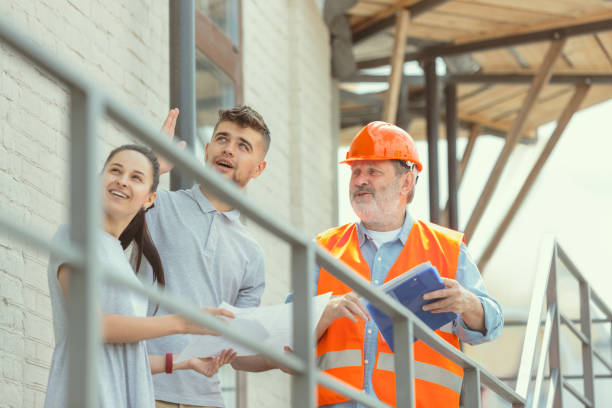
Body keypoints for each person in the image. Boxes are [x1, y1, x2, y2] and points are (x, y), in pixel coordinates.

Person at [313, 122, 504, 408]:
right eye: (355, 171)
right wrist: (325, 311)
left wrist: (467, 303)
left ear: (406, 182)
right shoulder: (324, 249)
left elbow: (492, 324)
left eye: (373, 171)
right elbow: (288, 334)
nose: (360, 180)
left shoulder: (447, 250)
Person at [44, 144, 236, 408]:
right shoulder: (76, 235)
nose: (122, 181)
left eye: (136, 177)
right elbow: (95, 326)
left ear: (149, 199)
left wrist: (184, 362)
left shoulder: (123, 264)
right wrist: (183, 322)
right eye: (115, 171)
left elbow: (126, 357)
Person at [143, 106, 271, 408]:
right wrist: (151, 169)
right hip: (145, 387)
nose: (228, 149)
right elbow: (98, 207)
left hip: (207, 399)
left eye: (243, 146)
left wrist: (278, 358)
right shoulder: (158, 205)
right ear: (208, 148)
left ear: (258, 168)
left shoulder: (252, 254)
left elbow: (238, 350)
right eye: (222, 139)